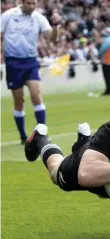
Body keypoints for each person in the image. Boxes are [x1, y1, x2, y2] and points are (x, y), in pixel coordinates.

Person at [1, 0, 61, 144]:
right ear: (22, 2)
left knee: (36, 95)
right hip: (13, 62)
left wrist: (56, 25)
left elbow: (53, 38)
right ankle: (23, 136)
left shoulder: (39, 17)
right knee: (19, 100)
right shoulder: (8, 15)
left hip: (30, 61)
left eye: (34, 3)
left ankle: (43, 133)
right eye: (29, 3)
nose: (32, 6)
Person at [99, 27, 110, 96]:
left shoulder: (107, 40)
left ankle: (108, 90)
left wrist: (99, 54)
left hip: (106, 60)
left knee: (107, 76)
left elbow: (103, 48)